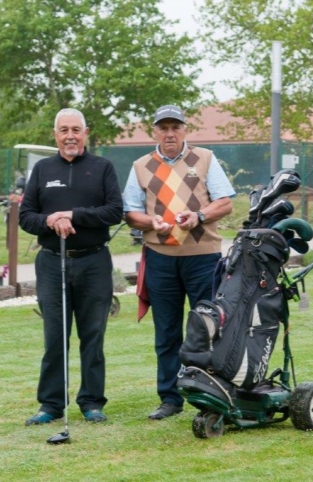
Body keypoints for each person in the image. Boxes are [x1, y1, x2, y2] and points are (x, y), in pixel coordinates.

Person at [123, 104, 235, 420]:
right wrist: (150, 222)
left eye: (176, 127)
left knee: (208, 328)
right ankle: (170, 398)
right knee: (167, 332)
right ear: (154, 131)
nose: (170, 133)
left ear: (185, 129)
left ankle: (211, 394)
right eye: (163, 127)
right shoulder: (141, 165)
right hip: (161, 258)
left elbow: (225, 202)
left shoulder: (205, 159)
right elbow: (129, 211)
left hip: (203, 258)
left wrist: (198, 216)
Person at [19, 108, 124, 425]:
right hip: (52, 263)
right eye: (64, 130)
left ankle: (92, 402)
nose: (70, 136)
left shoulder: (102, 168)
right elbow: (26, 217)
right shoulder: (41, 169)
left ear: (86, 133)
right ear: (55, 135)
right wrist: (50, 220)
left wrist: (73, 215)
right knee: (55, 337)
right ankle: (51, 405)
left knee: (93, 336)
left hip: (93, 261)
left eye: (76, 130)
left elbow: (114, 211)